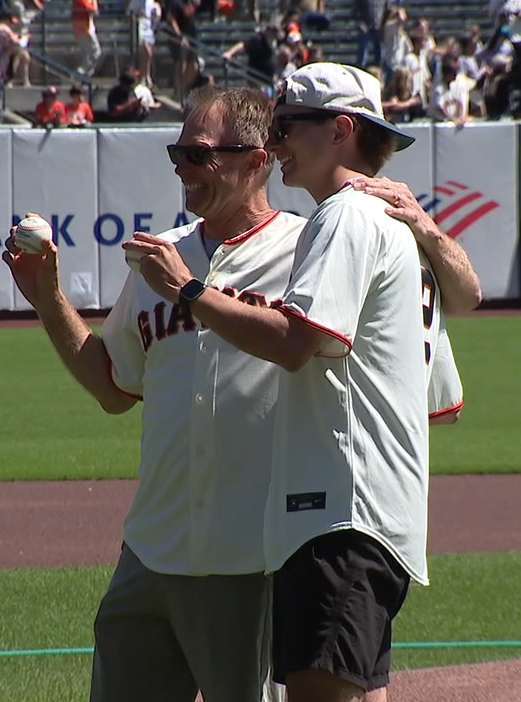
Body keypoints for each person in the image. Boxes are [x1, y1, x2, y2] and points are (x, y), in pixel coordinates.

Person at [3, 84, 478, 702]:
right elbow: (114, 386)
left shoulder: (321, 245)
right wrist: (48, 298)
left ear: (256, 161)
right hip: (151, 548)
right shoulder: (162, 258)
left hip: (256, 559)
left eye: (198, 154)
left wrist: (426, 229)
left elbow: (436, 361)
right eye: (176, 153)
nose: (182, 168)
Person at [123, 63, 444, 702]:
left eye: (287, 126)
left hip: (340, 517)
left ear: (341, 130)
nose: (274, 144)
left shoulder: (345, 219)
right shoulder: (396, 229)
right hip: (370, 515)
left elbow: (298, 345)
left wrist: (189, 289)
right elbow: (447, 382)